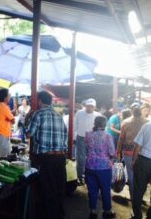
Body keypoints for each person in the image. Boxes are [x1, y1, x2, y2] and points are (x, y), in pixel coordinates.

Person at [27, 91, 68, 219]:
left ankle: (49, 215)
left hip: (46, 158)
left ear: (40, 101)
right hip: (60, 157)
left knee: (47, 189)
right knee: (59, 188)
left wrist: (27, 118)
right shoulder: (59, 116)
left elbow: (29, 134)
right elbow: (65, 137)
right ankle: (59, 214)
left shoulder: (37, 114)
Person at [85, 116, 116, 219]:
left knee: (92, 189)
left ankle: (92, 210)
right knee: (105, 189)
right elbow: (112, 152)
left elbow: (86, 148)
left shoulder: (88, 134)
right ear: (105, 124)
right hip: (104, 167)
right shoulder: (107, 136)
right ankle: (107, 210)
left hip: (89, 165)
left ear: (95, 123)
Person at [117, 104, 148, 200]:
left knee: (131, 174)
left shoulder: (125, 122)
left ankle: (133, 196)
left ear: (132, 112)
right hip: (142, 153)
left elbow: (121, 138)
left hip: (127, 151)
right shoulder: (147, 122)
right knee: (142, 175)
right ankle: (140, 196)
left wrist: (118, 151)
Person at [74, 98, 101, 184]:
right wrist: (73, 137)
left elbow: (100, 128)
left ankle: (88, 176)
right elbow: (75, 125)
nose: (89, 108)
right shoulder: (79, 113)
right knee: (80, 159)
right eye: (88, 106)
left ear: (94, 107)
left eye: (91, 106)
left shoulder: (98, 115)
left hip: (92, 139)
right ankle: (80, 176)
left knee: (91, 158)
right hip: (81, 137)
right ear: (85, 106)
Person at [0, 88, 15, 157]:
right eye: (9, 95)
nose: (10, 97)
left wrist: (8, 118)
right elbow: (13, 120)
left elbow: (6, 117)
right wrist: (9, 118)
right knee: (5, 156)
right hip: (3, 134)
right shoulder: (4, 106)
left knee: (0, 155)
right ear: (5, 97)